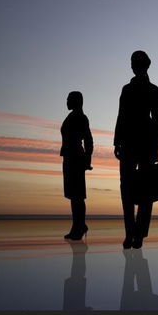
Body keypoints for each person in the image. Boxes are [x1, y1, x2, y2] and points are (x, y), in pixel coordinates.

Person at [114, 50, 158, 249]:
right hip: (130, 143)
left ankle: (138, 233)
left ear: (142, 65)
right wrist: (117, 141)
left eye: (135, 62)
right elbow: (121, 115)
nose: (133, 65)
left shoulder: (153, 89)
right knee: (127, 188)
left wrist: (155, 147)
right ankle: (131, 232)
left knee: (145, 190)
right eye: (132, 62)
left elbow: (157, 119)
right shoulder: (127, 89)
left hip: (144, 143)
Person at [60, 91, 93, 240]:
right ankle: (78, 226)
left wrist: (87, 160)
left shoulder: (81, 117)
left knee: (77, 196)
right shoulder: (73, 116)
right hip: (69, 157)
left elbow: (88, 140)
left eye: (69, 99)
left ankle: (79, 227)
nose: (66, 101)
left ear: (76, 101)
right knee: (73, 195)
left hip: (76, 158)